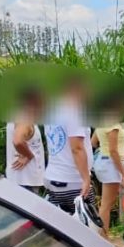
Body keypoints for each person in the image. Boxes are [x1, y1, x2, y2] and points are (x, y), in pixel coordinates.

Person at [44, 75, 95, 216]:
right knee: (89, 229)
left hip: (53, 179)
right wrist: (86, 179)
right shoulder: (75, 113)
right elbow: (76, 148)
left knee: (60, 229)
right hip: (73, 181)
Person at [92, 96, 124, 236]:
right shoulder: (113, 125)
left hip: (103, 161)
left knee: (106, 203)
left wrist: (121, 152)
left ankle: (104, 236)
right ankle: (104, 238)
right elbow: (113, 150)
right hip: (110, 164)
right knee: (107, 204)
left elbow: (94, 142)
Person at [6, 87, 45, 194]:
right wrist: (29, 155)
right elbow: (17, 141)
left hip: (19, 179)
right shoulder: (25, 118)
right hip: (26, 181)